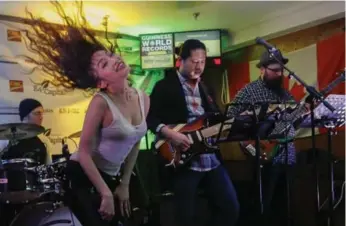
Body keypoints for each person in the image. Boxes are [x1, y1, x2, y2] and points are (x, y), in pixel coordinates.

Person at [22, 2, 150, 226]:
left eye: (111, 55)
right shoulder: (100, 103)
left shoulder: (143, 98)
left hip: (113, 176)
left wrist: (125, 183)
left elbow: (135, 141)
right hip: (83, 177)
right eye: (105, 63)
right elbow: (83, 153)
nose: (115, 59)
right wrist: (106, 193)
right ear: (101, 82)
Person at [147, 39, 239, 226]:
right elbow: (149, 119)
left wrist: (237, 120)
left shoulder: (206, 88)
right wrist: (171, 134)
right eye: (195, 62)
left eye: (203, 62)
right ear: (181, 61)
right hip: (182, 160)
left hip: (210, 158)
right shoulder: (164, 86)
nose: (199, 66)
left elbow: (215, 119)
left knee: (230, 209)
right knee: (185, 217)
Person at [227, 50, 311, 226]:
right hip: (262, 153)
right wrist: (247, 141)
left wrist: (303, 113)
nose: (279, 74)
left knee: (285, 205)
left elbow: (291, 124)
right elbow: (230, 119)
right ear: (262, 69)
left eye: (281, 70)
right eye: (274, 70)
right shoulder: (248, 92)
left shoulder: (285, 94)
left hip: (287, 155)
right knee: (264, 204)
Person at [0, 98, 53, 164]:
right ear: (25, 116)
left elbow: (49, 166)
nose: (41, 117)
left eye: (42, 113)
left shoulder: (44, 140)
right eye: (37, 113)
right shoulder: (6, 138)